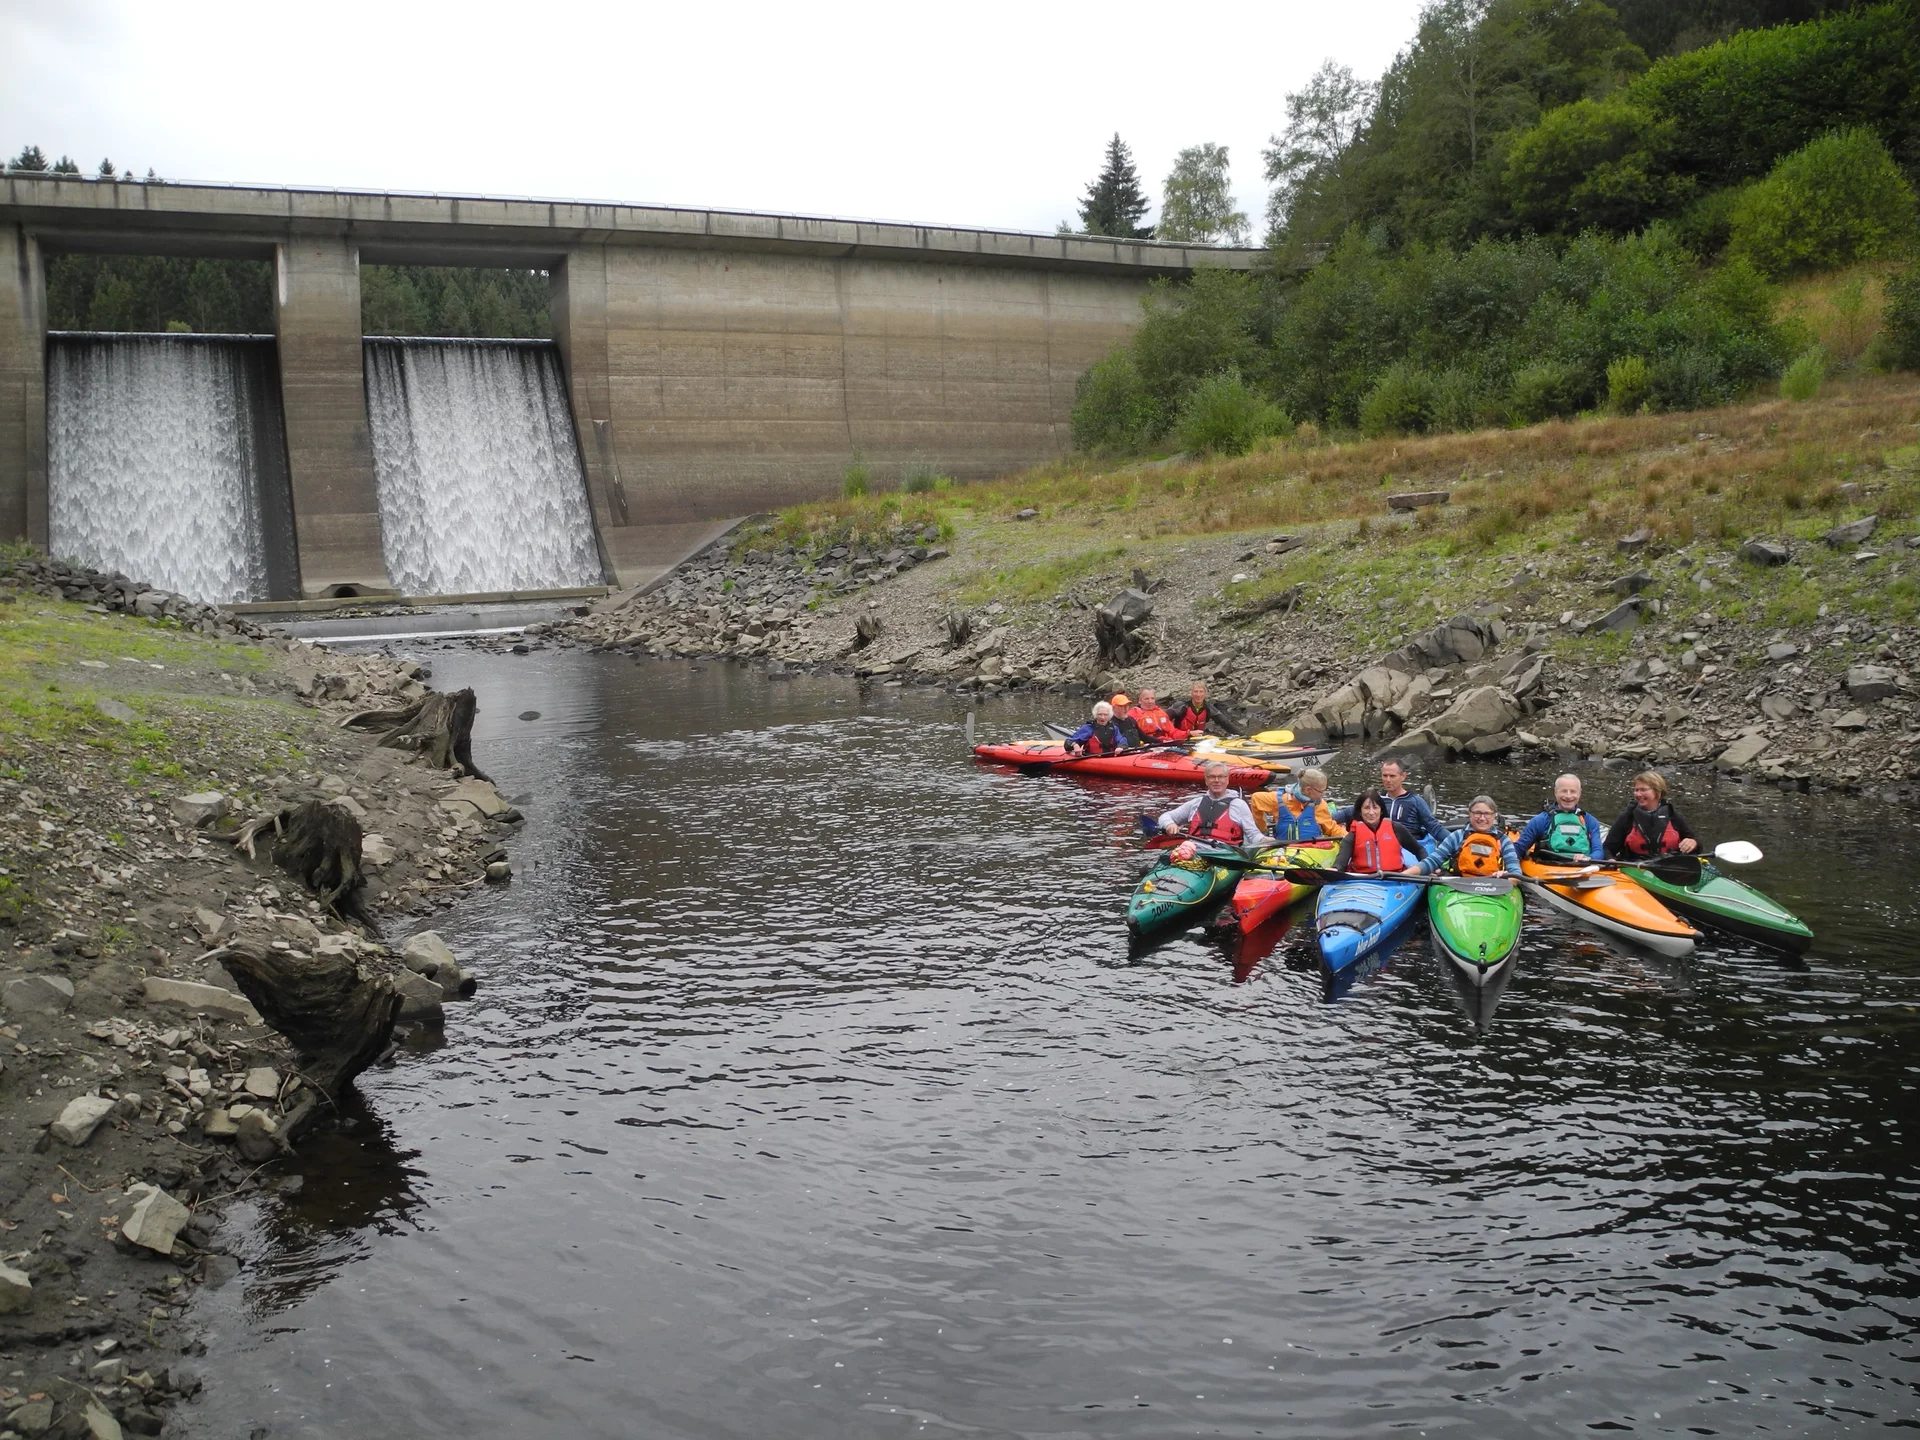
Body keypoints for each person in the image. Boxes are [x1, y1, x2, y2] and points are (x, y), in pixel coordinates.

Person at [1333, 758, 1446, 851]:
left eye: (1392, 776)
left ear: (1403, 776)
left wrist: (1454, 843)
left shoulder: (1416, 801)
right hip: (1380, 845)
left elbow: (1435, 828)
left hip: (1409, 847)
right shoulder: (1376, 800)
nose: (1388, 780)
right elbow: (1347, 813)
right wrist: (1325, 821)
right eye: (1385, 775)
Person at [1158, 761, 1272, 847]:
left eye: (1221, 776)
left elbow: (1253, 835)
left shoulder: (1239, 805)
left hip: (1225, 854)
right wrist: (1169, 825)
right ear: (1206, 780)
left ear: (1227, 779)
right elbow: (1165, 816)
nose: (1217, 780)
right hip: (1196, 850)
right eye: (1212, 777)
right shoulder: (1196, 803)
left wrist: (1265, 840)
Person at [1411, 795, 1521, 877]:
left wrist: (1507, 876)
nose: (1482, 818)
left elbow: (1515, 872)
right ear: (1470, 814)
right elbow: (1433, 861)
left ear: (1494, 816)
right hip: (1459, 883)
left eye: (1487, 814)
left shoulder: (1504, 841)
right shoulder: (1457, 836)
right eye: (1477, 813)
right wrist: (1406, 874)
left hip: (1493, 885)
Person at [1604, 770, 1699, 859]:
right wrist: (1610, 859)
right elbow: (1608, 848)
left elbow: (1696, 844)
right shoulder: (1627, 817)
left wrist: (1693, 843)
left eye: (1643, 790)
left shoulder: (1672, 815)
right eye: (1636, 790)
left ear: (1657, 791)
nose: (1638, 794)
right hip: (1635, 866)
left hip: (1669, 865)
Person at [1513, 773, 1606, 862]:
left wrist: (1588, 858)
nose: (1568, 796)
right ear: (1555, 792)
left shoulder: (1590, 821)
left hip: (1581, 866)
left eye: (1573, 791)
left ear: (1580, 793)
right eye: (1564, 791)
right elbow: (1519, 848)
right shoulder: (1541, 821)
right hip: (1547, 866)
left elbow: (1598, 852)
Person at [1329, 789, 1422, 875]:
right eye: (1366, 808)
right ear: (1360, 811)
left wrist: (1425, 867)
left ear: (1381, 811)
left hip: (1394, 879)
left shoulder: (1396, 828)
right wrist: (1335, 869)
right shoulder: (1353, 835)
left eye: (1375, 808)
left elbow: (1419, 850)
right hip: (1363, 879)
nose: (1371, 812)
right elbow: (1341, 863)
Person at [1270, 767, 1346, 843]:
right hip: (1283, 847)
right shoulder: (1277, 799)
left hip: (1310, 848)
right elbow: (1260, 801)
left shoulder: (1320, 805)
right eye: (1321, 791)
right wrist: (1263, 835)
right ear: (1308, 790)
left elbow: (1331, 828)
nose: (1323, 794)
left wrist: (1348, 838)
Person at [1064, 701, 1128, 756]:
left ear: (1109, 716)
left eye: (1105, 715)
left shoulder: (1114, 728)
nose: (1102, 717)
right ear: (1096, 715)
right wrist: (1074, 745)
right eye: (1100, 714)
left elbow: (1122, 740)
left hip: (1110, 758)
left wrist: (1121, 747)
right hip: (1091, 758)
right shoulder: (1089, 728)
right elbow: (1069, 741)